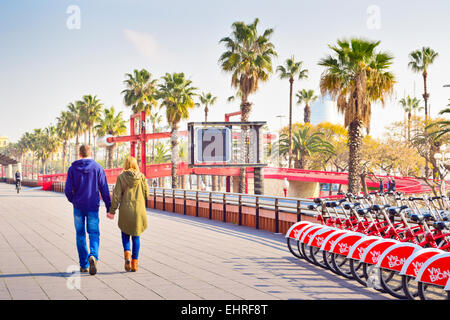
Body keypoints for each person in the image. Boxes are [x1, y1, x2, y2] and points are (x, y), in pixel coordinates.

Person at [64, 145, 111, 275]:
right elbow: (104, 189)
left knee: (80, 235)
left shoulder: (72, 169)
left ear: (79, 154)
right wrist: (109, 207)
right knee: (94, 233)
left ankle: (84, 264)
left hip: (78, 207)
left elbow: (67, 190)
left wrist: (74, 200)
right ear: (91, 153)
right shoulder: (97, 168)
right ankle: (93, 256)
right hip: (92, 207)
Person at [107, 156, 149, 272]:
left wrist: (112, 211)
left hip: (125, 210)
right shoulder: (142, 177)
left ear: (125, 165)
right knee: (136, 236)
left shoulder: (121, 177)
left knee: (125, 234)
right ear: (136, 165)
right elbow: (147, 194)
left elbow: (116, 196)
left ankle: (127, 254)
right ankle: (135, 263)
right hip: (139, 210)